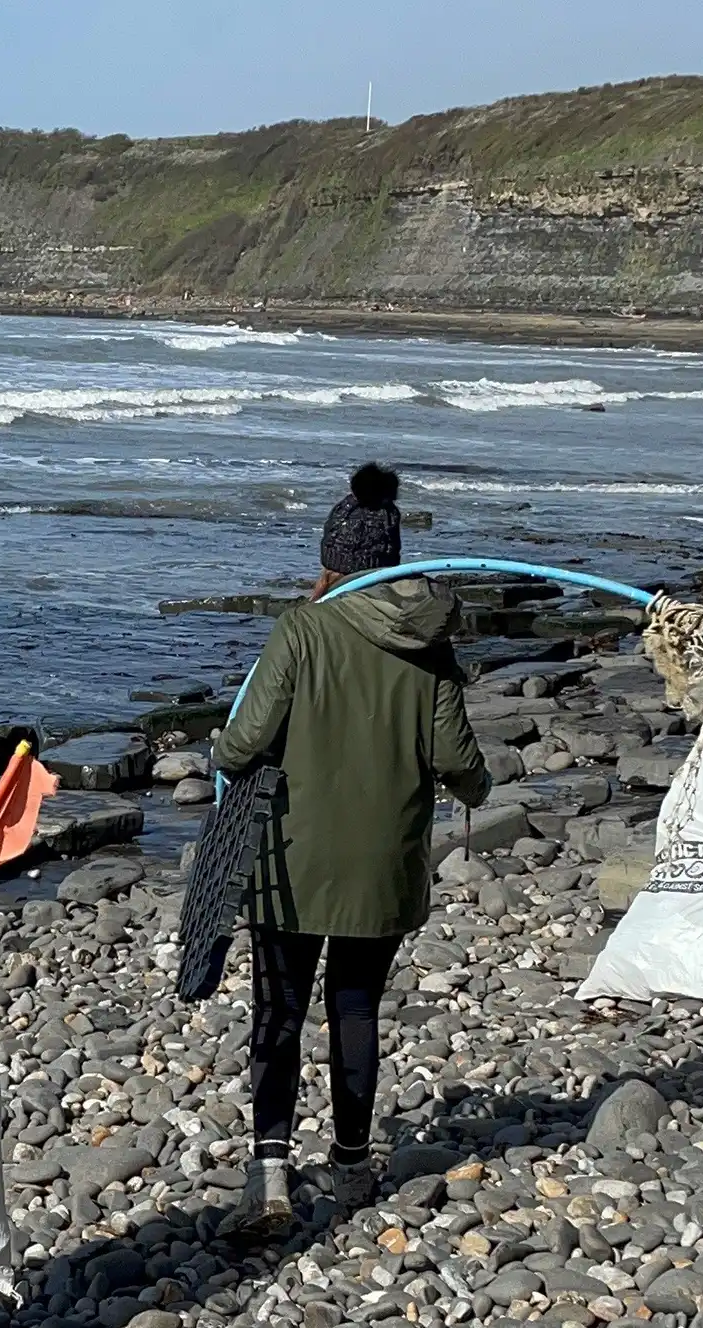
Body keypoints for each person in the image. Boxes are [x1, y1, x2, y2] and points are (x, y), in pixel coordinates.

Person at [211, 462, 490, 1235]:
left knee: (282, 1007)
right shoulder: (429, 645)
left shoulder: (302, 629)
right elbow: (461, 763)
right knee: (356, 1004)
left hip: (291, 859)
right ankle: (351, 1162)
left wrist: (223, 752)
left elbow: (244, 742)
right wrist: (476, 788)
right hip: (383, 863)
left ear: (329, 562)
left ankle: (269, 1174)